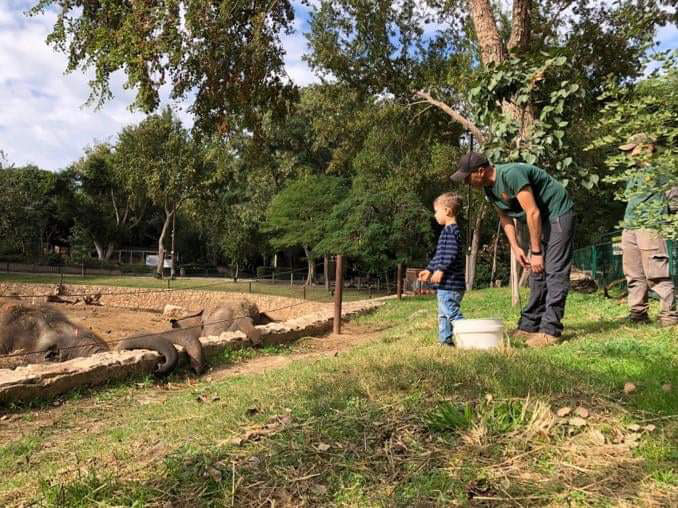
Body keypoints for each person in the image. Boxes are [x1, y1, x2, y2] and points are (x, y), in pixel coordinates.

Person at [450, 152, 575, 347]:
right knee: (537, 273)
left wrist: (536, 253)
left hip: (557, 212)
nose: (466, 182)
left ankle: (550, 331)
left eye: (467, 177)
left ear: (480, 171)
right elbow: (505, 217)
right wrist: (516, 247)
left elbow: (532, 212)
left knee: (554, 272)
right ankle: (529, 325)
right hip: (540, 219)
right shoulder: (489, 189)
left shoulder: (511, 175)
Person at [619, 134, 678, 327]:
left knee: (657, 273)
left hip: (650, 228)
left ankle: (669, 317)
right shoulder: (633, 173)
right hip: (630, 228)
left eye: (631, 149)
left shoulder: (662, 170)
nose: (627, 153)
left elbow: (675, 198)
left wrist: (661, 219)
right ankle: (638, 314)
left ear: (646, 147)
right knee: (633, 273)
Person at [418, 193, 466, 346]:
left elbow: (450, 254)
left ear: (447, 211)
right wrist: (430, 269)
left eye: (436, 211)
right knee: (444, 314)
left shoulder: (452, 231)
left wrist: (440, 270)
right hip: (446, 285)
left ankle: (468, 336)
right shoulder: (446, 231)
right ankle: (445, 341)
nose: (435, 215)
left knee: (451, 313)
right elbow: (440, 255)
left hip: (450, 284)